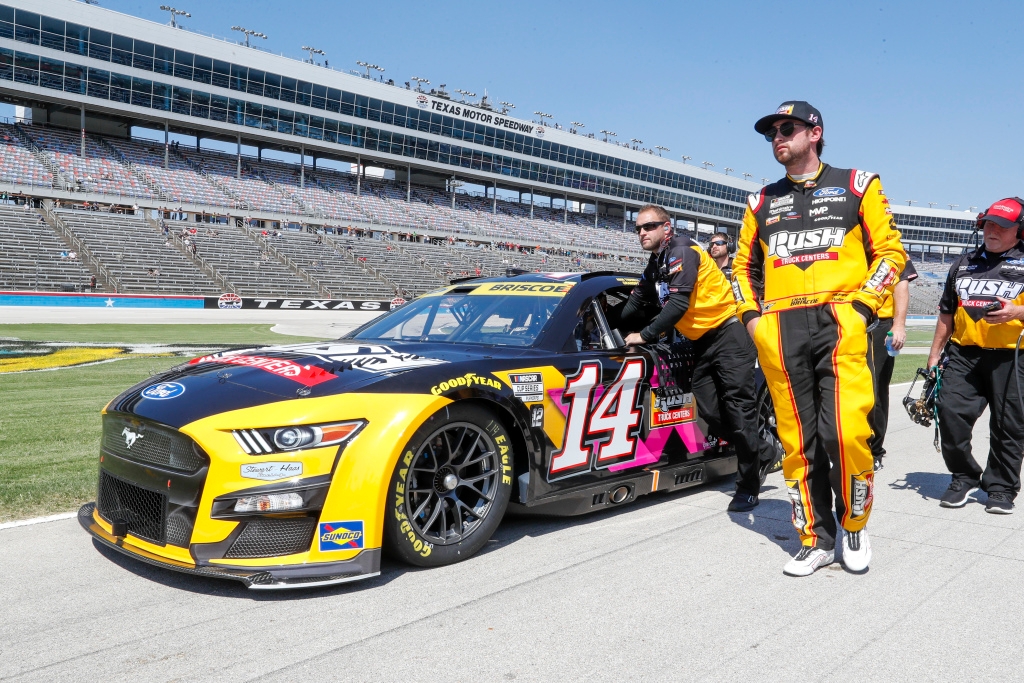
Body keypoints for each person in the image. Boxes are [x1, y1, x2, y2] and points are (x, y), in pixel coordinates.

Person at [732, 101, 905, 576]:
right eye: (771, 132)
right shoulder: (760, 200)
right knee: (797, 443)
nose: (777, 137)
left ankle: (854, 524)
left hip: (840, 321)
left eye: (787, 128)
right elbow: (741, 268)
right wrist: (753, 321)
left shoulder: (858, 184)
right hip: (781, 328)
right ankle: (815, 538)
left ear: (815, 132)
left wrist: (863, 308)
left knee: (844, 434)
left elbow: (891, 254)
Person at [621, 204, 774, 512]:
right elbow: (636, 301)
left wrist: (644, 335)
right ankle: (760, 449)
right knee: (710, 411)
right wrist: (616, 326)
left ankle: (747, 487)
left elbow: (678, 304)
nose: (642, 232)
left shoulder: (682, 249)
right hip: (702, 341)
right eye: (638, 228)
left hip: (730, 333)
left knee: (739, 410)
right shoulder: (657, 261)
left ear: (666, 227)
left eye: (648, 226)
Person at [928, 198, 1024, 514]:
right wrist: (934, 356)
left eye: (1003, 226)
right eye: (989, 224)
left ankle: (1001, 487)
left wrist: (1017, 312)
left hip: (1013, 357)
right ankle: (964, 476)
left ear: (1020, 230)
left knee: (1009, 426)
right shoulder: (962, 263)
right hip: (963, 354)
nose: (993, 230)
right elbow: (946, 313)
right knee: (949, 413)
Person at [869, 254, 918, 471]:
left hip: (879, 322)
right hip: (844, 321)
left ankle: (874, 451)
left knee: (876, 389)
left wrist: (898, 325)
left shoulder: (893, 248)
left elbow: (901, 285)